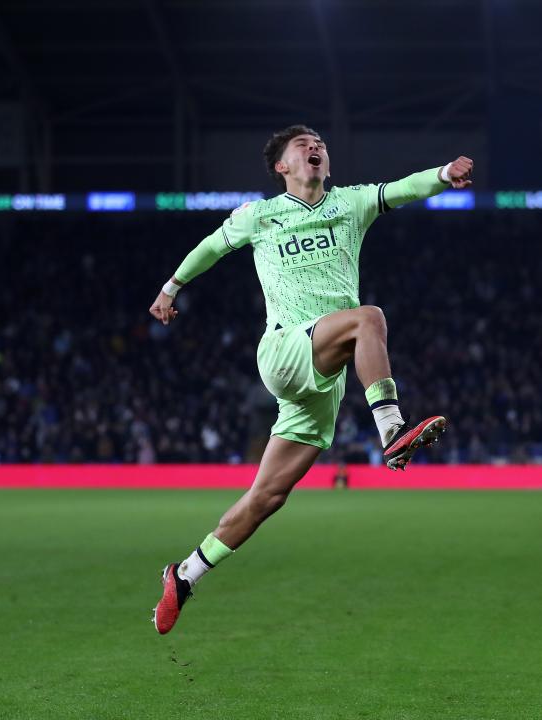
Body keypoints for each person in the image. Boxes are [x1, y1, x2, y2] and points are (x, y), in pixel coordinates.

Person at [149, 124, 473, 634]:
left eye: (319, 142)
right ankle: (391, 428)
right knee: (370, 317)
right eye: (303, 145)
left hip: (325, 370)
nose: (315, 148)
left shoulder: (351, 203)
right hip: (283, 349)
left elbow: (401, 189)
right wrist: (171, 287)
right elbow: (211, 247)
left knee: (268, 497)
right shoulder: (260, 216)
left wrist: (441, 174)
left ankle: (185, 573)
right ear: (282, 166)